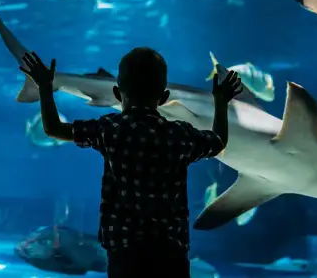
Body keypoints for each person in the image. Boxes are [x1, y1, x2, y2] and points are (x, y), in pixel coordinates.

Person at [19, 48, 242, 278]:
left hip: (124, 250)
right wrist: (221, 101)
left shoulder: (111, 130)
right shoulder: (179, 135)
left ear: (117, 93)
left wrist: (45, 86)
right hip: (170, 251)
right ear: (164, 98)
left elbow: (54, 129)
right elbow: (218, 142)